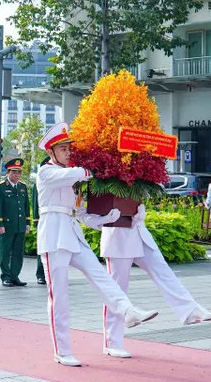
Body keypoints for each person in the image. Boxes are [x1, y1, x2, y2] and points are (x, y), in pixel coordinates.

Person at [37, 123, 157, 366]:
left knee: (101, 275)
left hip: (72, 232)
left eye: (69, 148)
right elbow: (71, 174)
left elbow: (81, 213)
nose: (68, 153)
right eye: (63, 149)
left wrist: (107, 219)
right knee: (59, 296)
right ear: (51, 152)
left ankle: (127, 311)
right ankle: (62, 350)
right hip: (53, 236)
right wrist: (91, 169)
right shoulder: (46, 172)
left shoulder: (72, 177)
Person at [100, 204, 211, 358]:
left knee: (164, 272)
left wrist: (139, 211)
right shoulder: (96, 182)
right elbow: (89, 215)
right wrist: (108, 218)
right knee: (117, 289)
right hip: (117, 239)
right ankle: (112, 343)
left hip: (140, 233)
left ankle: (190, 310)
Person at [0, 158, 30, 287]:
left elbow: (26, 206)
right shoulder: (1, 187)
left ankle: (15, 275)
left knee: (18, 252)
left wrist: (27, 223)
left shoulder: (22, 187)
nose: (16, 175)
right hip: (7, 225)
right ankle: (6, 276)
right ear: (7, 172)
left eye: (19, 172)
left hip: (19, 224)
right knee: (5, 251)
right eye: (14, 172)